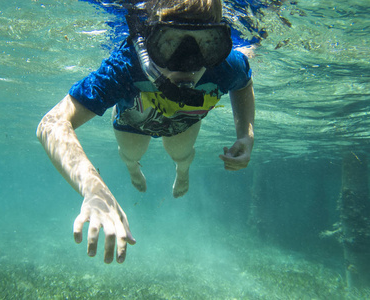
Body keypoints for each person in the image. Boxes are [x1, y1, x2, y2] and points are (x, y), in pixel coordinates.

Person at [36, 0, 255, 264]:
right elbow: (52, 123)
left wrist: (245, 133)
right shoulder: (126, 65)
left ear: (220, 41)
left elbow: (243, 84)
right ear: (145, 39)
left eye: (207, 43)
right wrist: (93, 188)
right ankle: (132, 167)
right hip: (133, 119)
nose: (187, 64)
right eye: (170, 43)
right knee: (130, 153)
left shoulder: (225, 65)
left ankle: (182, 169)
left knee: (181, 153)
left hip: (184, 120)